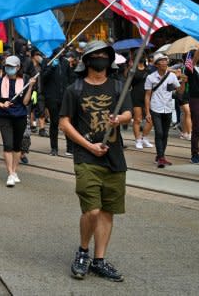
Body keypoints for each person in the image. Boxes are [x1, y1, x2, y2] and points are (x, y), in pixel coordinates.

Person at [59, 41, 132, 282]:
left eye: (105, 55)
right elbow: (65, 122)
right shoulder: (75, 89)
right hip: (86, 157)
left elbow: (129, 114)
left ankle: (99, 261)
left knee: (107, 211)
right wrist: (88, 145)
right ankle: (83, 252)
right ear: (87, 60)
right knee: (92, 210)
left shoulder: (119, 86)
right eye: (96, 55)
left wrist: (118, 119)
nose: (101, 58)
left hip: (114, 157)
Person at [0, 56, 32, 187]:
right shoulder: (1, 81)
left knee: (17, 146)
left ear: (18, 67)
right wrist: (2, 105)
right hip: (5, 117)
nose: (9, 69)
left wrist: (30, 86)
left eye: (12, 66)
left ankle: (14, 171)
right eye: (7, 66)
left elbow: (25, 102)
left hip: (20, 116)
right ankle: (10, 174)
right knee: (8, 145)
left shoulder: (24, 80)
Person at [144, 53, 185, 168]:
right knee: (159, 132)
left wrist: (183, 82)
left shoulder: (171, 76)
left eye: (165, 61)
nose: (164, 63)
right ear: (156, 64)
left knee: (165, 134)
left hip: (168, 108)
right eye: (161, 61)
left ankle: (160, 155)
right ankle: (161, 158)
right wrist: (147, 112)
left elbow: (179, 92)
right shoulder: (150, 77)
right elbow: (147, 96)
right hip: (155, 108)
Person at [41, 51, 76, 156]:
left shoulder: (65, 62)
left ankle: (70, 148)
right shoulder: (47, 61)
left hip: (64, 97)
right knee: (54, 123)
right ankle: (54, 148)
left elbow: (71, 78)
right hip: (52, 98)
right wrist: (51, 67)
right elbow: (43, 78)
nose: (61, 51)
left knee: (67, 122)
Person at [129, 56, 153, 150]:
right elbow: (128, 82)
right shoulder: (132, 69)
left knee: (151, 119)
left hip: (148, 95)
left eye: (143, 55)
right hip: (136, 95)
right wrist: (130, 68)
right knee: (138, 119)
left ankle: (144, 138)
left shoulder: (149, 70)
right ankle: (138, 140)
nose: (141, 57)